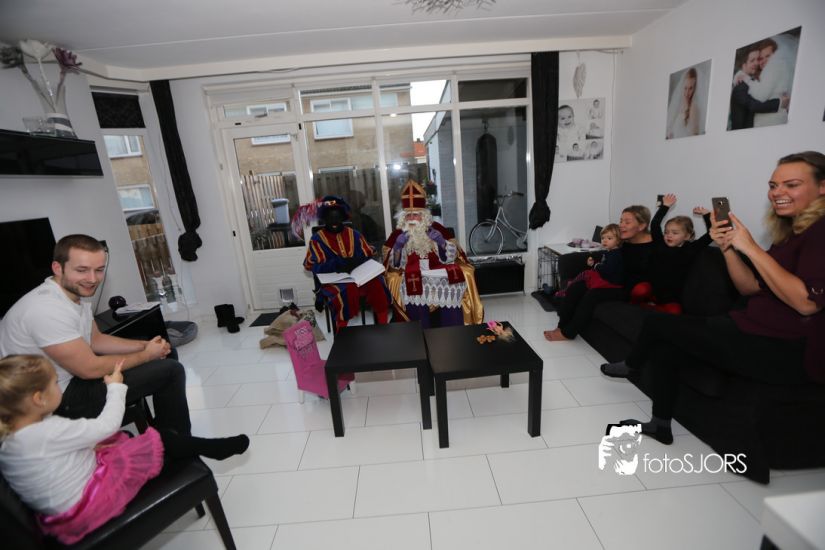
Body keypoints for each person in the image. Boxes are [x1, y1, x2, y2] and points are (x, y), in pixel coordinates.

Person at [601, 152, 825, 445]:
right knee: (666, 345)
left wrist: (752, 248)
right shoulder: (791, 232)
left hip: (785, 347)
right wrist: (728, 248)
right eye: (773, 185)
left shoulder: (820, 232)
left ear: (822, 186)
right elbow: (749, 288)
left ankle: (632, 364)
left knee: (658, 324)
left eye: (791, 184)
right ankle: (660, 425)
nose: (777, 192)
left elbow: (807, 303)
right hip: (749, 326)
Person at [0, 355, 249, 544]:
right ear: (38, 399)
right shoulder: (49, 430)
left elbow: (52, 461)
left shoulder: (10, 438)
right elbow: (107, 425)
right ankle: (212, 448)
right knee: (159, 439)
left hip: (60, 517)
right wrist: (115, 387)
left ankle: (193, 449)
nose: (59, 387)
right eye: (55, 383)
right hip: (90, 505)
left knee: (127, 440)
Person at [0, 235, 190, 435]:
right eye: (82, 270)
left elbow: (96, 340)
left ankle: (165, 434)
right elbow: (89, 369)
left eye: (99, 270)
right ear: (58, 268)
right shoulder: (46, 310)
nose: (92, 279)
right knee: (171, 371)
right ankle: (176, 445)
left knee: (167, 353)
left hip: (68, 378)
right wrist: (146, 355)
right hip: (48, 400)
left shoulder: (73, 296)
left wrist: (145, 346)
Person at [545, 205, 654, 341]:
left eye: (627, 222)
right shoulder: (624, 242)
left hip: (627, 289)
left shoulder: (654, 247)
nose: (621, 225)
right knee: (576, 287)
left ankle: (568, 333)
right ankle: (561, 326)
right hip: (611, 281)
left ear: (642, 225)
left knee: (592, 295)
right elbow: (610, 256)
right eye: (621, 221)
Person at [383, 179, 483, 327]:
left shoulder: (436, 229)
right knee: (414, 297)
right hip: (412, 275)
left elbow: (454, 257)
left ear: (424, 216)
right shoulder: (398, 234)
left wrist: (442, 243)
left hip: (437, 272)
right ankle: (420, 333)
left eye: (416, 215)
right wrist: (397, 247)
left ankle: (452, 331)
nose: (412, 219)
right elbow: (393, 265)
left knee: (454, 286)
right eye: (408, 215)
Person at [303, 195, 391, 332]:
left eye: (337, 217)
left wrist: (355, 260)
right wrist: (337, 264)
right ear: (324, 219)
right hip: (334, 280)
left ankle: (384, 329)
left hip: (359, 276)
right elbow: (312, 266)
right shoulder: (316, 240)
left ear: (343, 217)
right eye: (330, 218)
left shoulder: (354, 234)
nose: (334, 221)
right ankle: (342, 335)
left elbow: (367, 252)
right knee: (347, 291)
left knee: (377, 283)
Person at [629, 194, 712, 314]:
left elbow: (710, 235)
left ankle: (650, 309)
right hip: (652, 289)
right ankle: (636, 306)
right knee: (639, 290)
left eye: (675, 233)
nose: (669, 235)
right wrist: (665, 206)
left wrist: (707, 215)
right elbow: (655, 224)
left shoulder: (691, 249)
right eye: (666, 232)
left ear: (687, 236)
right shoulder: (660, 243)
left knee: (675, 311)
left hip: (671, 296)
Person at [552, 224, 623, 300]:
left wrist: (596, 265)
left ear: (618, 240)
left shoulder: (615, 255)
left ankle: (568, 287)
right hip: (607, 279)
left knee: (587, 273)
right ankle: (571, 284)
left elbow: (608, 270)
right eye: (603, 238)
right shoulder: (609, 252)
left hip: (610, 283)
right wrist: (594, 263)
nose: (604, 240)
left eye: (609, 238)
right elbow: (604, 264)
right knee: (588, 273)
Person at [729, 43, 789, 131]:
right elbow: (754, 106)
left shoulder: (754, 80)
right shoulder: (740, 85)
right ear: (743, 64)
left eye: (757, 59)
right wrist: (780, 103)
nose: (756, 63)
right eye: (752, 60)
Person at [666, 67, 702, 139]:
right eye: (685, 88)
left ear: (695, 88)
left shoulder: (694, 108)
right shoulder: (679, 105)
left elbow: (694, 137)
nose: (687, 93)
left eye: (690, 88)